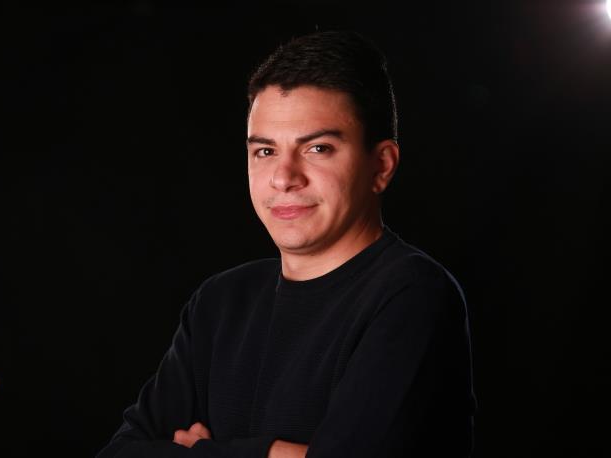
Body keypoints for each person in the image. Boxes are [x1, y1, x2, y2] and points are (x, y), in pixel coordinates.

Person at [96, 30, 476, 458]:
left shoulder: (412, 295)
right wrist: (278, 452)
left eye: (317, 148)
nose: (283, 178)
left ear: (381, 166)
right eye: (265, 152)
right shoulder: (220, 304)